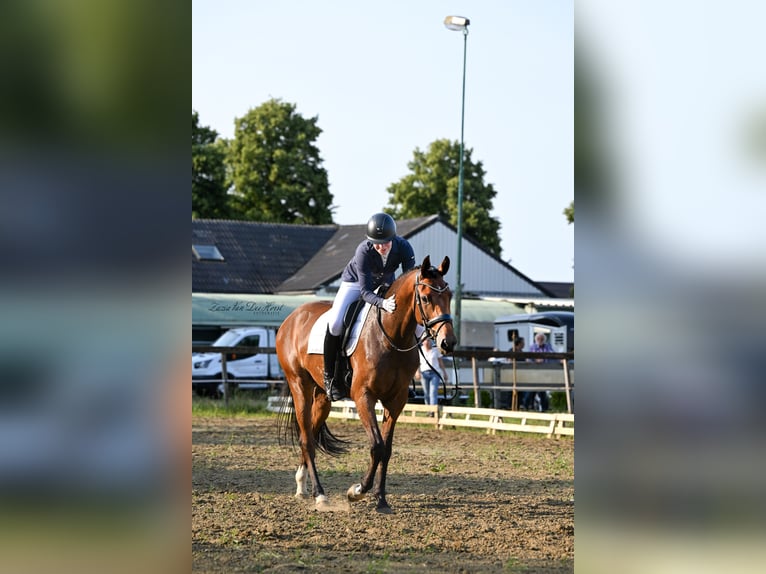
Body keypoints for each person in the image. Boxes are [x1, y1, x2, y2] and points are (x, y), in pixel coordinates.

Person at [323, 212, 416, 401]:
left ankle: (406, 379)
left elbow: (408, 280)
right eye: (377, 243)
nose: (381, 247)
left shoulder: (404, 247)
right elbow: (365, 292)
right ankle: (330, 377)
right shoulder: (363, 250)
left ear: (394, 238)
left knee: (414, 325)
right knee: (335, 323)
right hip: (355, 284)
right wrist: (383, 303)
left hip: (386, 283)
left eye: (386, 242)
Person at [523, 333, 554, 411]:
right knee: (531, 390)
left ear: (544, 340)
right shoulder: (532, 347)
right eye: (538, 339)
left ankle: (544, 408)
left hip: (544, 372)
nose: (540, 340)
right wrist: (535, 360)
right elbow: (528, 359)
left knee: (542, 390)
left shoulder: (547, 347)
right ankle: (526, 406)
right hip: (534, 372)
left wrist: (544, 359)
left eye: (542, 339)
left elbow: (552, 355)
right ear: (535, 340)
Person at [417, 337, 448, 411]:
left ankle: (433, 411)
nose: (427, 342)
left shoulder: (436, 350)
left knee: (433, 393)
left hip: (435, 373)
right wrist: (417, 372)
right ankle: (428, 410)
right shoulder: (420, 350)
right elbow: (417, 363)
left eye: (428, 340)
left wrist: (444, 372)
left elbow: (440, 362)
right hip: (424, 373)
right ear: (423, 342)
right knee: (426, 394)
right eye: (425, 341)